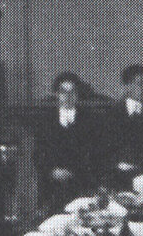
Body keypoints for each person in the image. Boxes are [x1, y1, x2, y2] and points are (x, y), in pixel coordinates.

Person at [35, 72, 105, 208]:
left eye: (72, 92)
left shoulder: (90, 121)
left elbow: (96, 155)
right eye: (63, 91)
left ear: (78, 95)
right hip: (52, 185)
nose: (67, 96)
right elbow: (38, 154)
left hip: (82, 183)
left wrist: (78, 173)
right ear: (56, 94)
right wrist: (52, 171)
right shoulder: (45, 121)